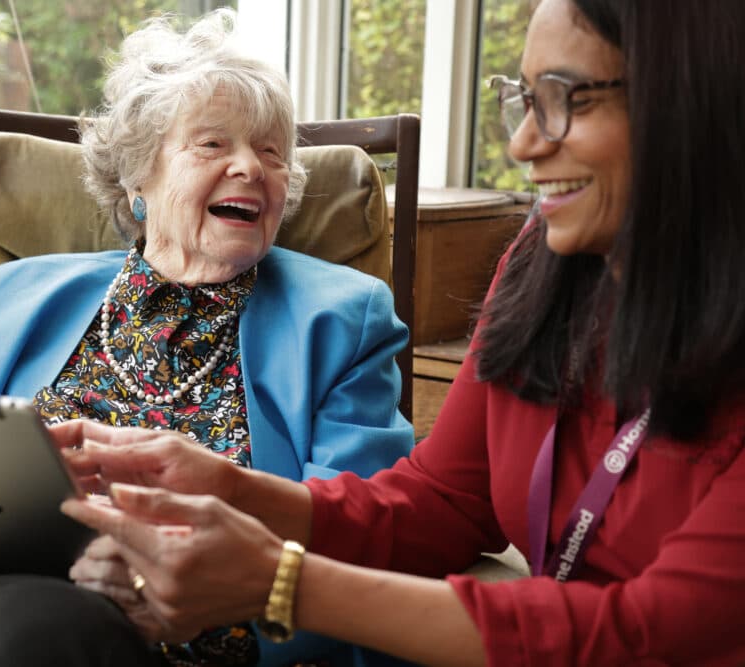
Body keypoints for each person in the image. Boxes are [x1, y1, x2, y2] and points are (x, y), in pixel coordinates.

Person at [59, 0, 745, 665]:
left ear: (686, 97)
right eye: (525, 99)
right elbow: (443, 502)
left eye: (567, 98)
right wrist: (231, 489)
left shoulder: (346, 311)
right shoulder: (544, 267)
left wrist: (282, 582)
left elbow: (652, 634)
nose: (523, 143)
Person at [0, 9, 415, 667]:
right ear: (138, 177)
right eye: (213, 144)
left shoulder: (343, 319)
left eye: (271, 152)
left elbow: (359, 551)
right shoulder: (4, 300)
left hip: (166, 641)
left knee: (53, 627)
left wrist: (186, 590)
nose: (251, 167)